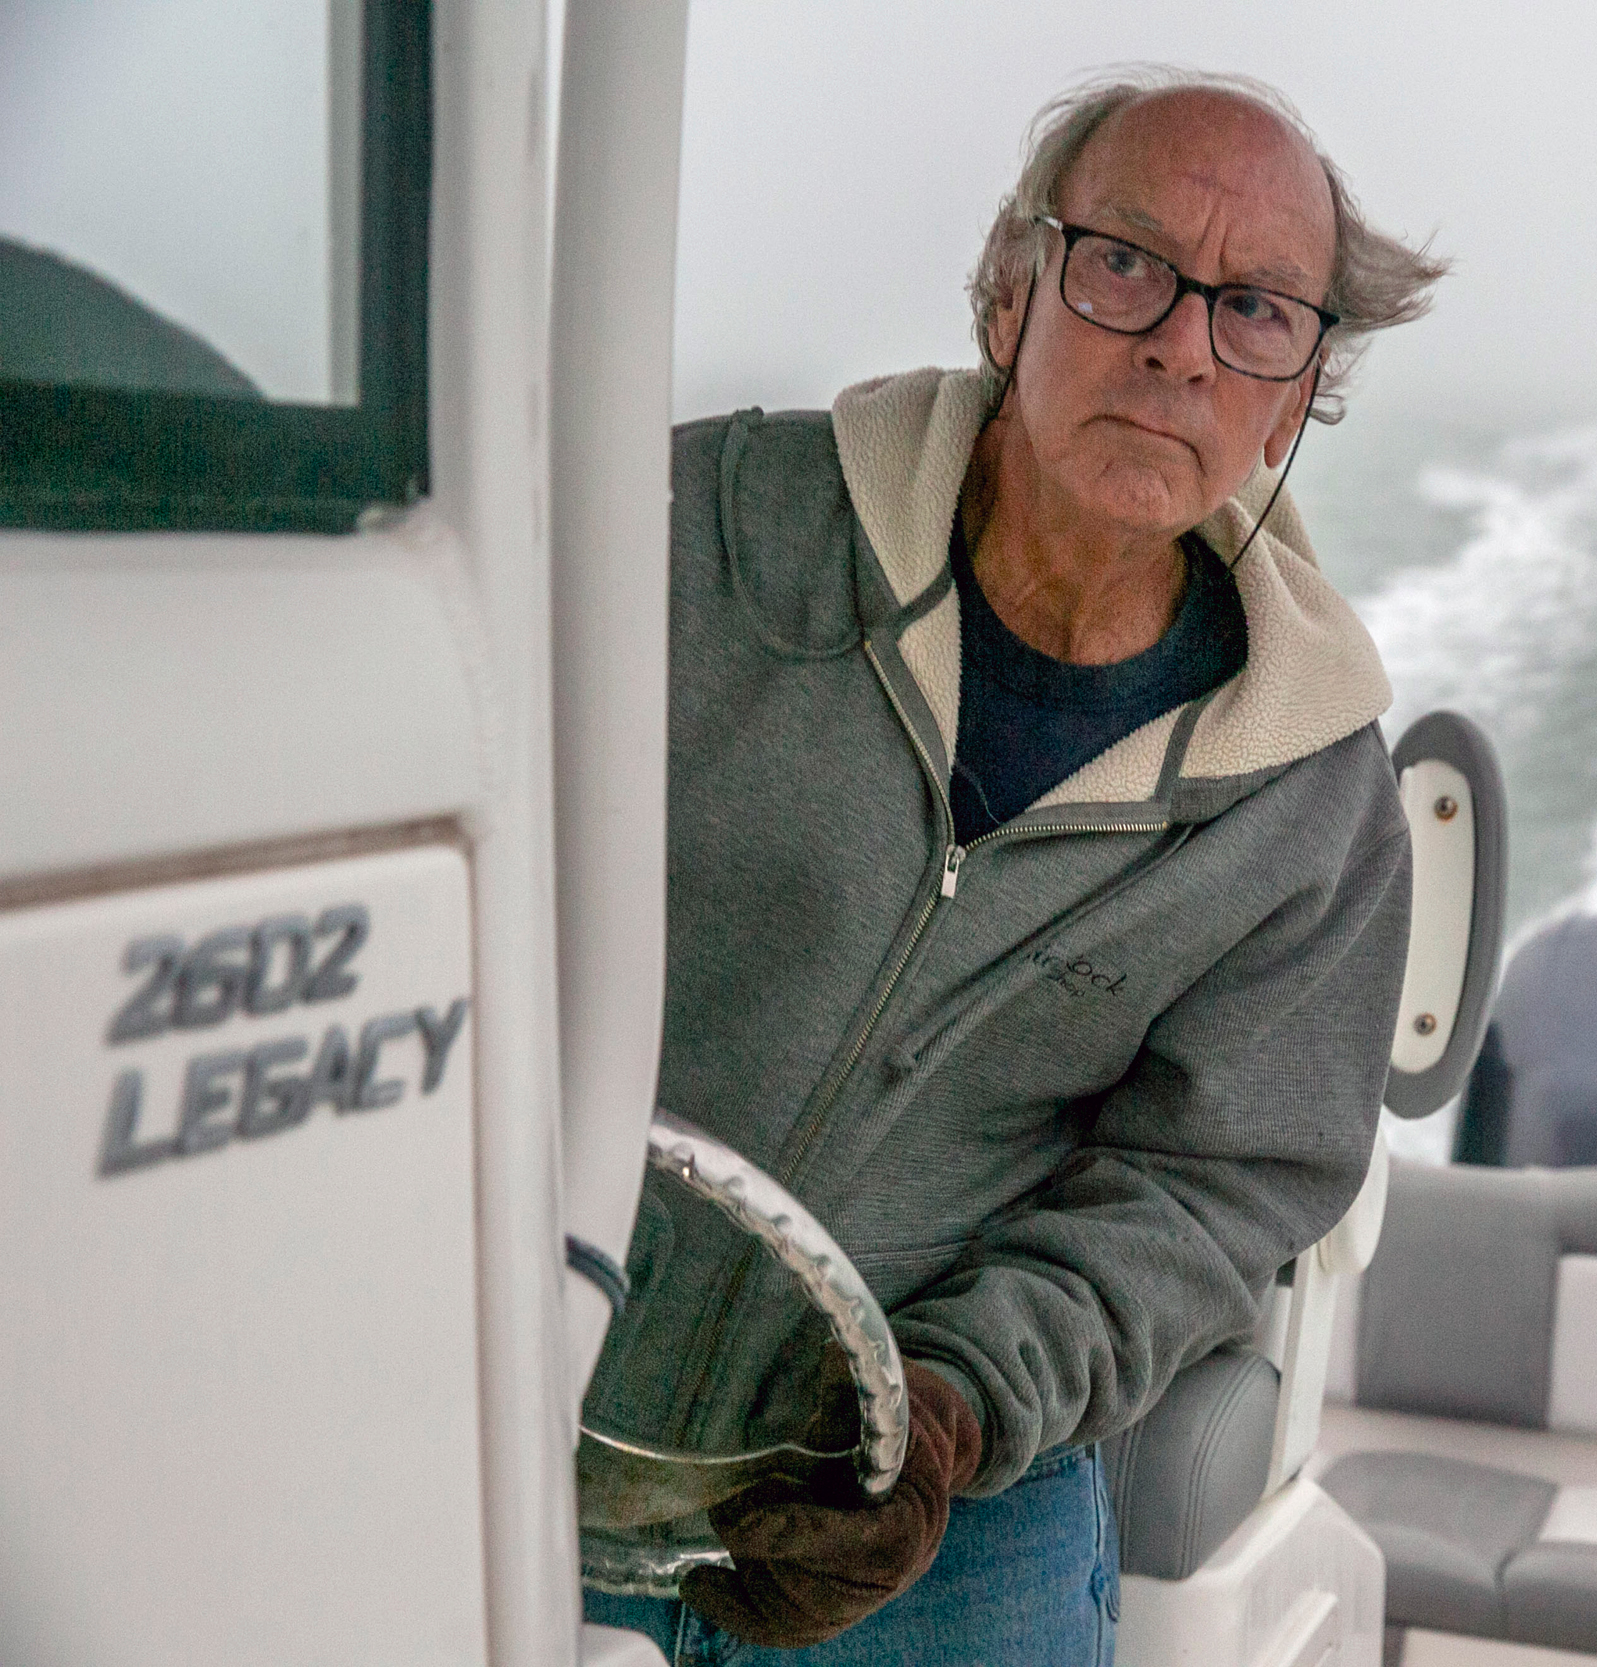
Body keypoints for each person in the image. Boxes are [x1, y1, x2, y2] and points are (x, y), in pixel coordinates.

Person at [581, 67, 1447, 1665]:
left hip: (921, 1495)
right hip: (497, 1369)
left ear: (1294, 398)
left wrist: (953, 1417)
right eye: (1126, 264)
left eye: (1255, 313)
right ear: (1008, 294)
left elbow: (1210, 1191)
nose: (1181, 343)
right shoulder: (699, 529)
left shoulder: (1312, 803)